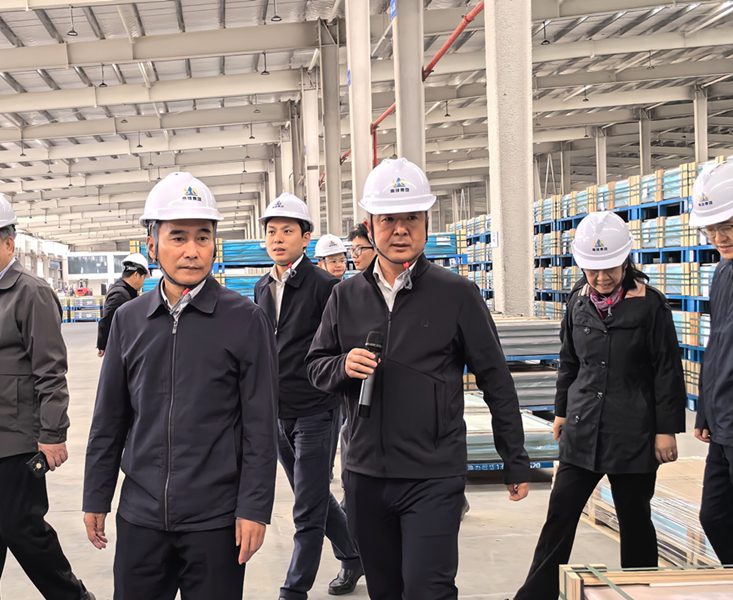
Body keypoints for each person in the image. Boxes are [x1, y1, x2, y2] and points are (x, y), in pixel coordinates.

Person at [306, 158, 530, 600]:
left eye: (411, 218)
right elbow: (315, 367)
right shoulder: (345, 297)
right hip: (365, 475)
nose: (400, 230)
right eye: (388, 219)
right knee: (385, 591)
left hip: (433, 476)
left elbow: (496, 381)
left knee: (430, 589)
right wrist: (342, 365)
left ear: (426, 222)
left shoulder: (456, 294)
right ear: (371, 226)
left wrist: (514, 458)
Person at [82, 172, 278, 600]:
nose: (192, 250)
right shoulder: (128, 320)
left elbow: (261, 425)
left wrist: (254, 507)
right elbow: (110, 417)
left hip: (215, 520)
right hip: (140, 516)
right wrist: (96, 494)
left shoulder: (245, 320)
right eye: (178, 237)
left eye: (203, 237)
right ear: (151, 245)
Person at [514, 211, 686, 600]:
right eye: (593, 269)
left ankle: (641, 594)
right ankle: (535, 596)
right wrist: (561, 411)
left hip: (633, 430)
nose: (602, 277)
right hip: (583, 426)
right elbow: (569, 362)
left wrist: (665, 430)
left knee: (635, 520)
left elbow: (667, 370)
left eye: (610, 268)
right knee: (559, 515)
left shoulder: (651, 306)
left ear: (626, 260)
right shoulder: (578, 302)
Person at [0, 191, 95, 600]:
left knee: (25, 535)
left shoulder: (31, 293)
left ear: (9, 243)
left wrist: (52, 433)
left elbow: (51, 370)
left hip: (10, 445)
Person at [253, 193, 362, 599]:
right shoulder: (262, 287)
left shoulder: (326, 287)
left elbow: (341, 350)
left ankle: (293, 591)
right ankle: (353, 555)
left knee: (306, 509)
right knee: (311, 495)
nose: (278, 239)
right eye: (271, 232)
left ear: (305, 238)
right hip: (277, 412)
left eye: (287, 231)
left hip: (317, 409)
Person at [690, 160, 733, 564]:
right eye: (711, 229)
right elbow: (716, 342)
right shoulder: (722, 272)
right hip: (722, 418)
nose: (719, 237)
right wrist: (705, 406)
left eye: (728, 226)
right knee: (715, 515)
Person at [96, 253, 149, 357]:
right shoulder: (120, 294)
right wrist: (102, 345)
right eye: (143, 278)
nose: (143, 283)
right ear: (136, 275)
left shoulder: (126, 291)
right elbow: (107, 319)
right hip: (119, 348)